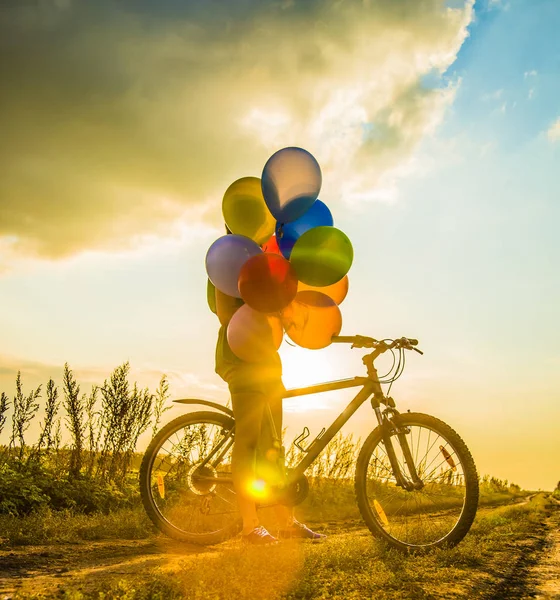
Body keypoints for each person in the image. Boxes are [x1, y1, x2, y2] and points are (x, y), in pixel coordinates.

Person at [208, 273, 326, 545]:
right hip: (240, 354)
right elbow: (226, 315)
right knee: (248, 441)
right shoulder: (229, 260)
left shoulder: (270, 264)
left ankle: (286, 523)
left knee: (273, 445)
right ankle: (250, 526)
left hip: (267, 360)